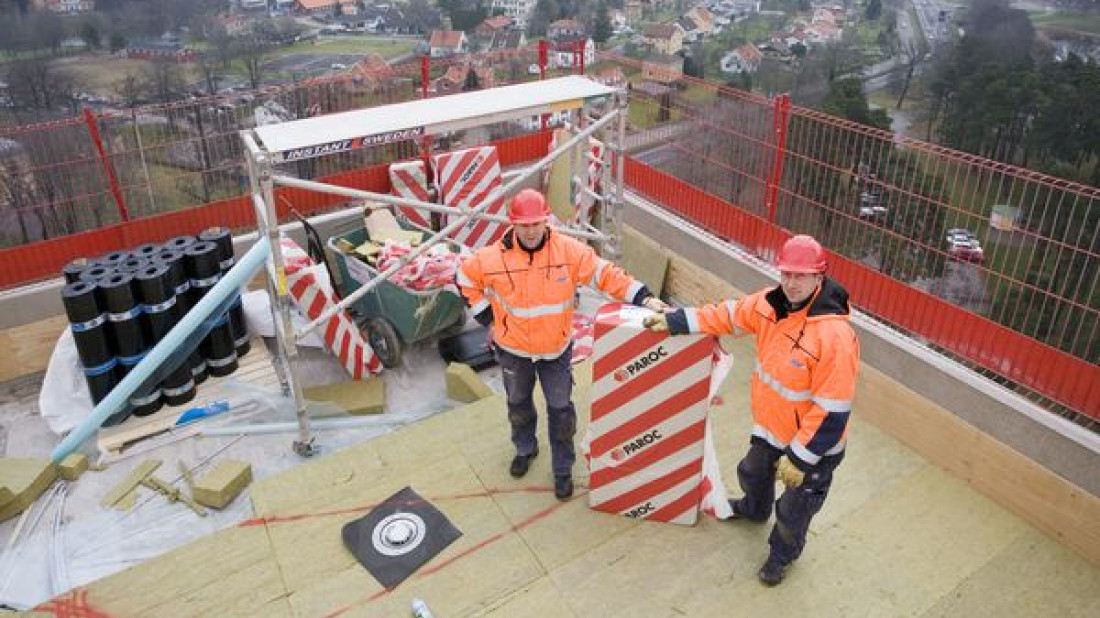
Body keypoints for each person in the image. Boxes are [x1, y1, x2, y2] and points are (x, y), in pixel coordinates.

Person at [643, 235, 859, 586]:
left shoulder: (834, 336)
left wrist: (801, 459)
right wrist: (679, 321)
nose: (791, 283)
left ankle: (781, 555)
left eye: (801, 276)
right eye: (786, 274)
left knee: (793, 511)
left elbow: (832, 411)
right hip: (772, 429)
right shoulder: (770, 305)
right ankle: (755, 509)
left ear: (820, 278)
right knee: (753, 472)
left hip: (814, 449)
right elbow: (727, 315)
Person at [457, 188, 669, 500]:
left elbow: (605, 275)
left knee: (561, 411)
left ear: (546, 221)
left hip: (555, 352)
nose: (530, 231)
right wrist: (488, 318)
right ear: (512, 225)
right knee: (518, 405)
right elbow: (464, 278)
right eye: (523, 225)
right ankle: (525, 449)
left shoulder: (568, 252)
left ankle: (562, 469)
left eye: (535, 224)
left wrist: (645, 296)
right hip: (512, 351)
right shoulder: (492, 258)